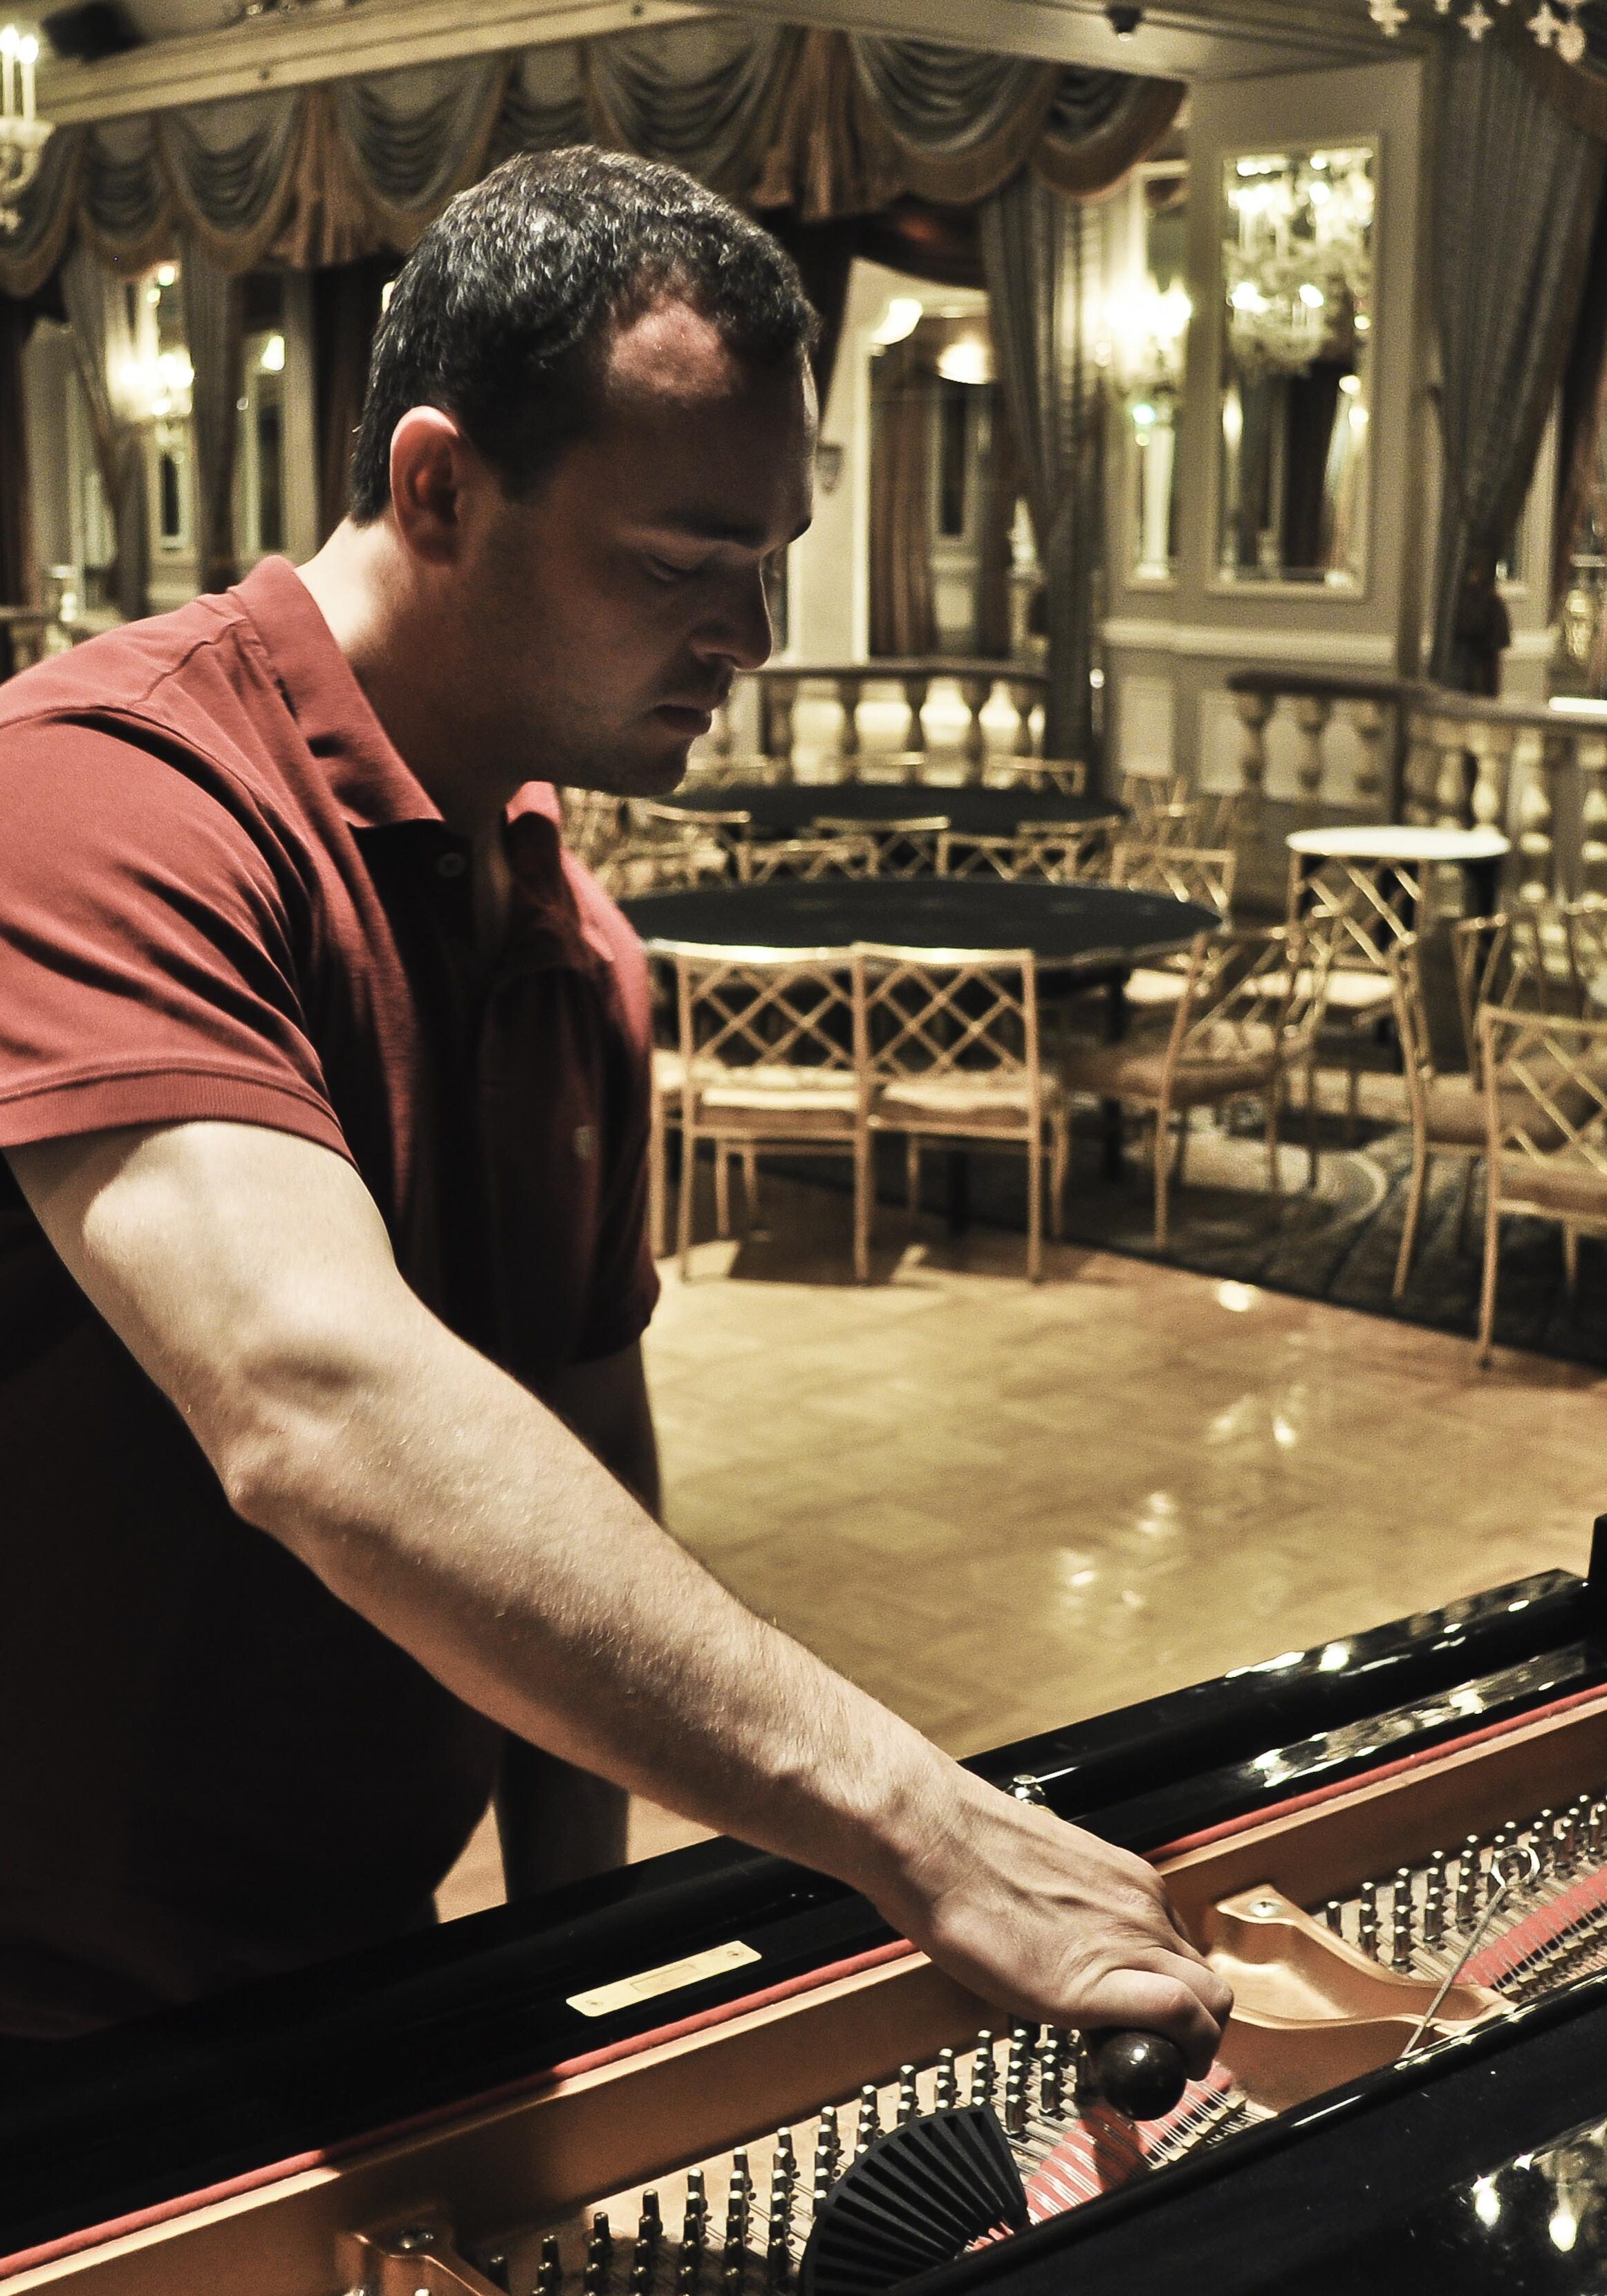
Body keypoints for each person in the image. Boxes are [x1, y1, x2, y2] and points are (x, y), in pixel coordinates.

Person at [0, 147, 1232, 2066]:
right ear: (437, 486)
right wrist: (924, 1828)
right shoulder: (106, 793)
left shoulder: (574, 933)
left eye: (767, 559)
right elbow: (312, 1401)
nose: (746, 637)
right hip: (60, 2030)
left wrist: (566, 1979)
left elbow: (580, 1441)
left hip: (364, 1974)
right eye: (679, 563)